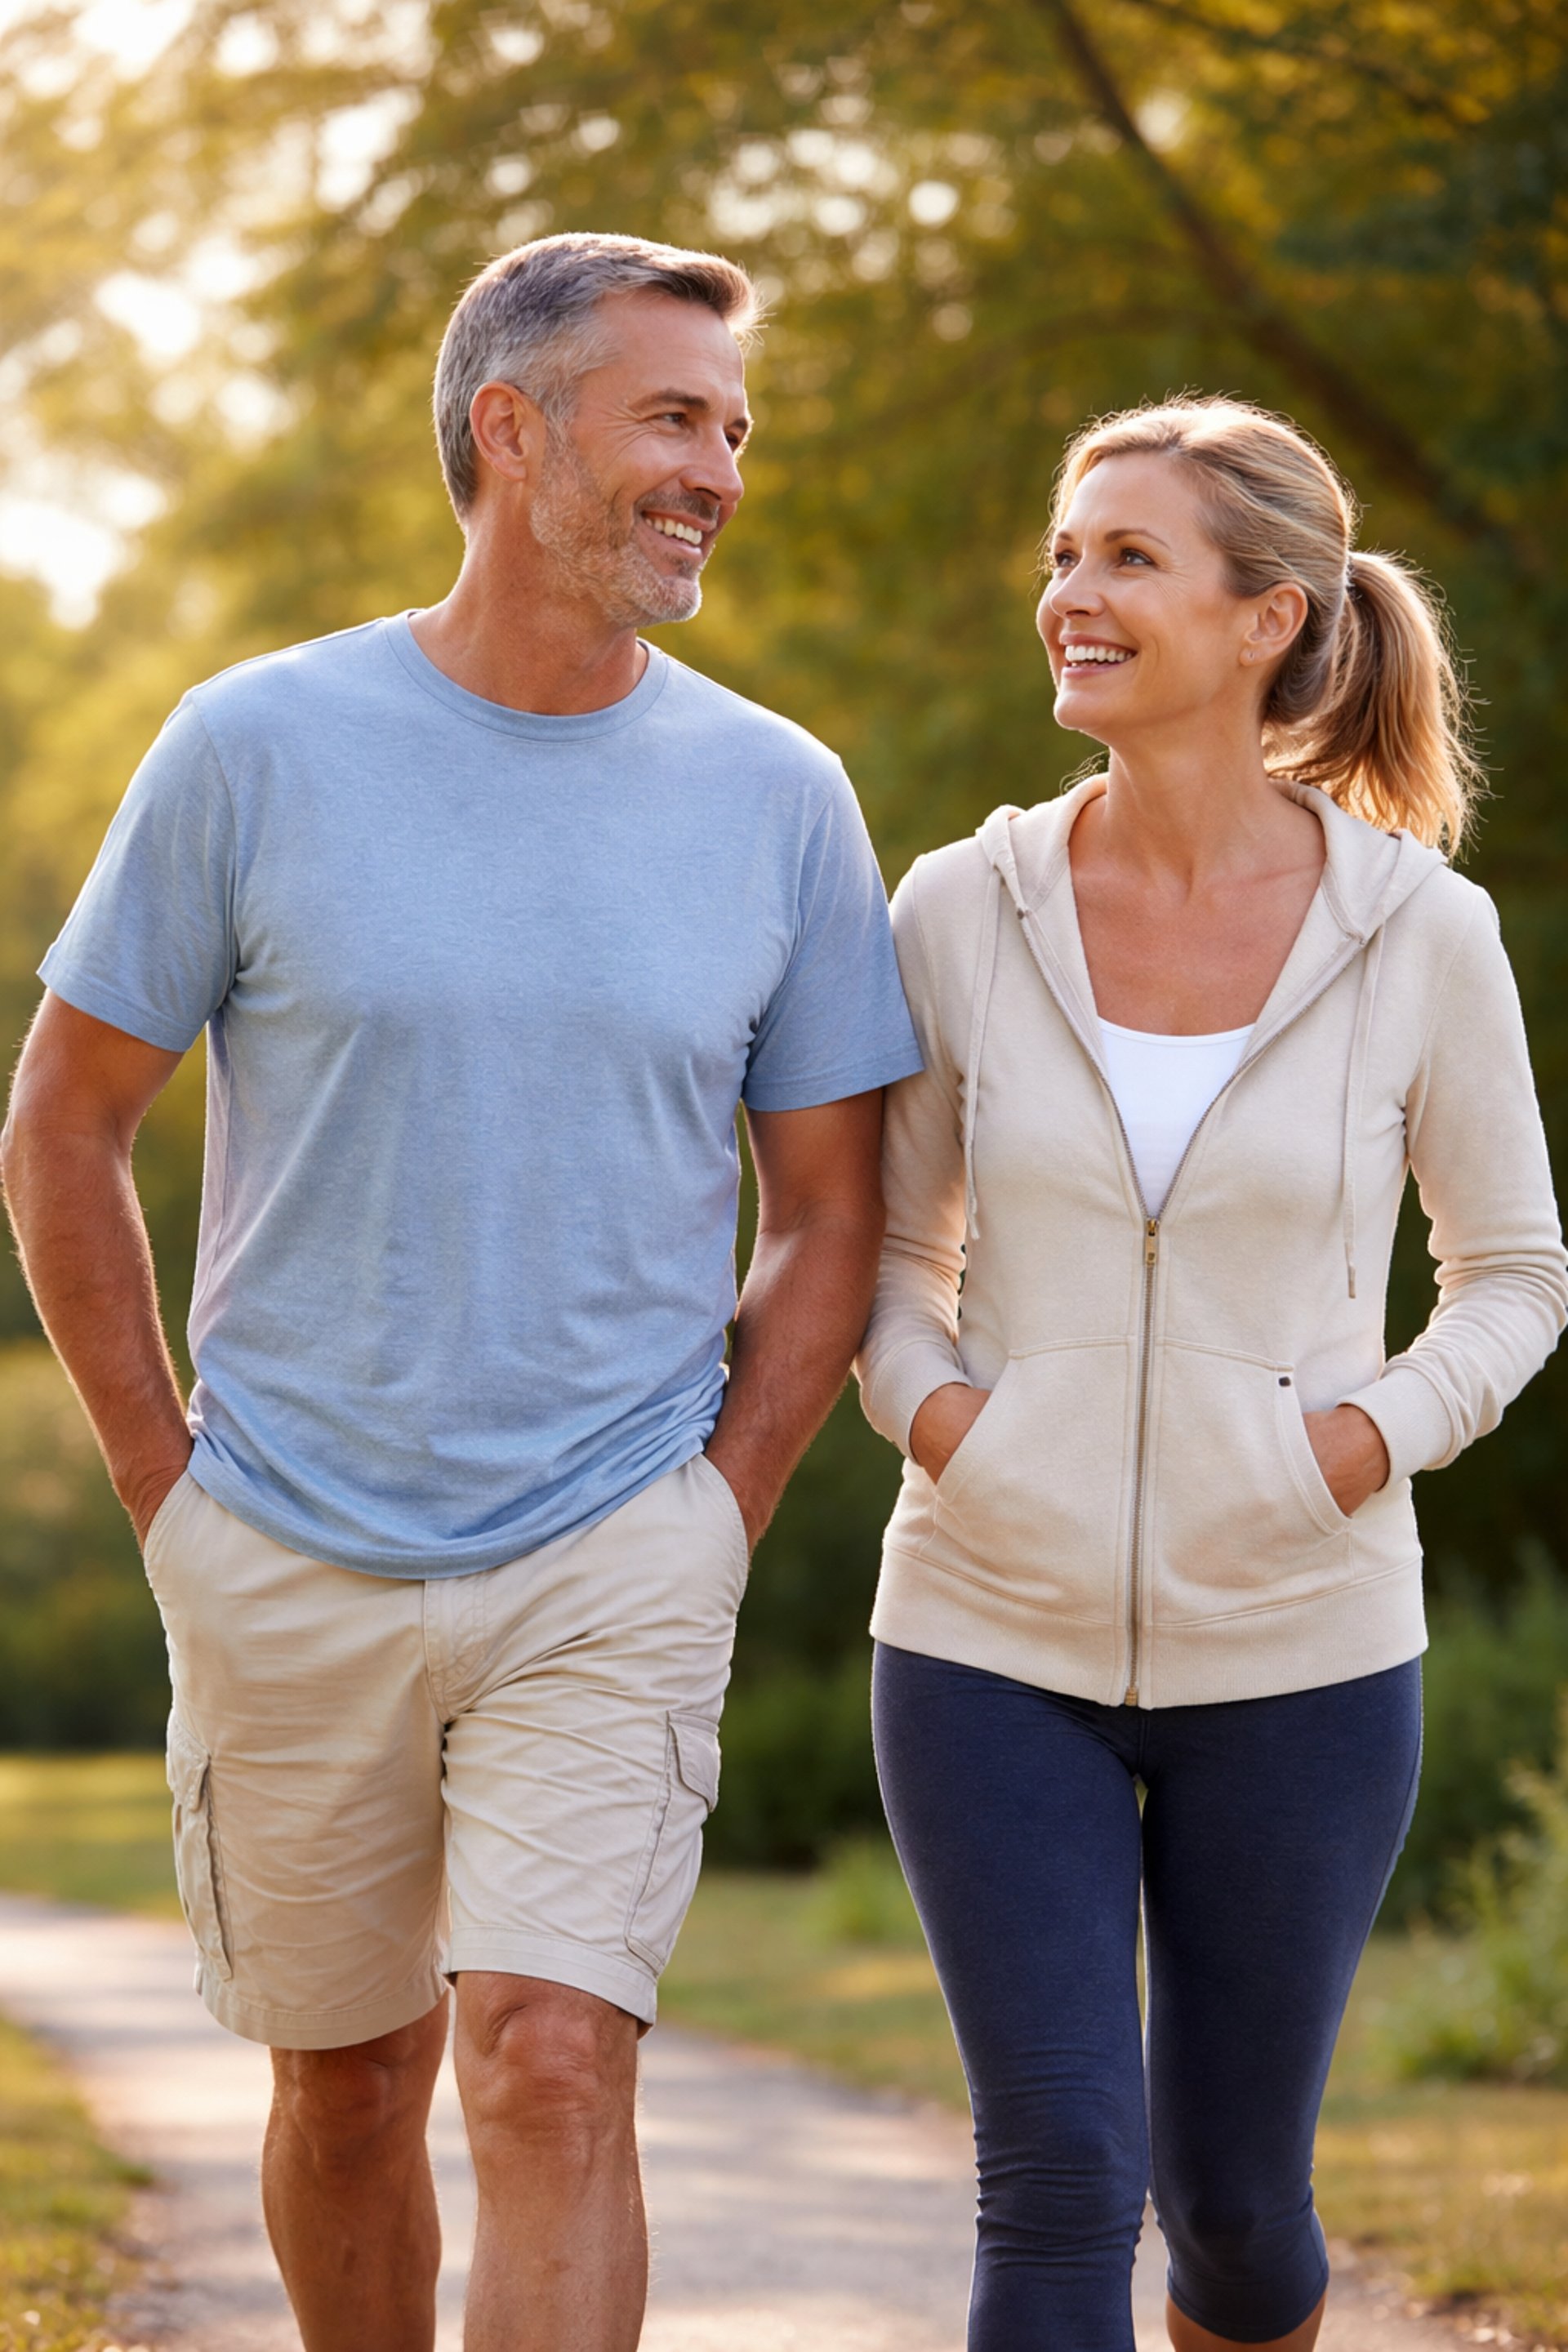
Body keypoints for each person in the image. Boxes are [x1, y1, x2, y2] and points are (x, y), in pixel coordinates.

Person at [0, 231, 921, 2352]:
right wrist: (171, 1500)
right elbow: (61, 1128)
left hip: (611, 1546)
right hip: (285, 1540)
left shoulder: (780, 798)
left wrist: (715, 1511)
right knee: (346, 2092)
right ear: (512, 430)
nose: (717, 469)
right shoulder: (253, 747)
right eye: (673, 418)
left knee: (547, 2055)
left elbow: (829, 1218)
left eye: (734, 430)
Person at [856, 394, 1566, 2352]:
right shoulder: (957, 909)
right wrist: (951, 1425)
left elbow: (1512, 1278)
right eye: (1065, 558)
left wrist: (1354, 1446)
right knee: (1064, 2173)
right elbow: (886, 1262)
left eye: (1128, 560)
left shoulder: (1421, 933)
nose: (1071, 596)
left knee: (1239, 2217)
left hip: (1308, 1654)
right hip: (989, 1630)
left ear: (1271, 616)